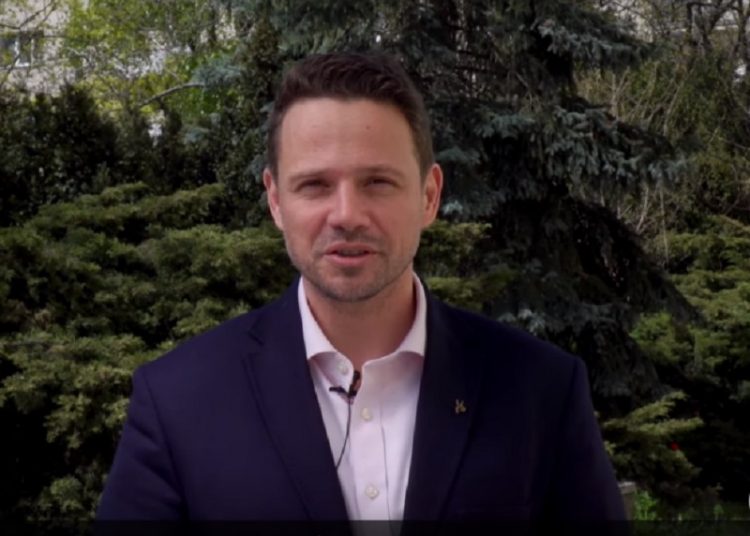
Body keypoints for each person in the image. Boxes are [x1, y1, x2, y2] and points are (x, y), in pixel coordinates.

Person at [97, 52, 626, 522]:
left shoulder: (541, 390)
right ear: (276, 201)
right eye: (314, 185)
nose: (347, 214)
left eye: (377, 182)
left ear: (429, 196)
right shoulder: (177, 401)